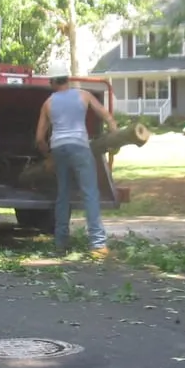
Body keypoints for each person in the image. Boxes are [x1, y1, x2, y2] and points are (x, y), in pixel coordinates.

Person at [35, 64, 117, 258]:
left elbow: (39, 138)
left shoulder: (48, 103)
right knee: (89, 193)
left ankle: (61, 244)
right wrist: (115, 136)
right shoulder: (84, 95)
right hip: (80, 147)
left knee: (63, 194)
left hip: (59, 150)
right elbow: (106, 116)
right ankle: (98, 245)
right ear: (68, 79)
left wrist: (48, 157)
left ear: (53, 82)